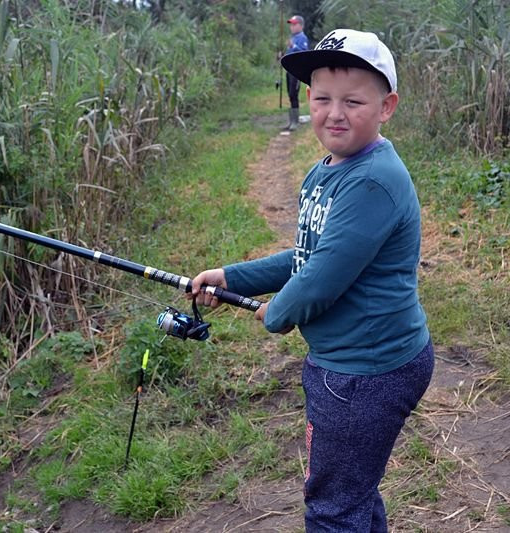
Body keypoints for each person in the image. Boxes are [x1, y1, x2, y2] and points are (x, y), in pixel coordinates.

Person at [190, 29, 434, 532]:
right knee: (352, 491)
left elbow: (320, 280)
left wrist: (277, 312)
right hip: (349, 367)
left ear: (386, 107)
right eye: (322, 99)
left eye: (353, 102)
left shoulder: (372, 180)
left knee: (332, 508)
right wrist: (234, 277)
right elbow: (309, 256)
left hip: (364, 373)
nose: (334, 113)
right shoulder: (328, 170)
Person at [282, 15, 309, 131]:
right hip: (289, 70)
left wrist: (293, 46)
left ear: (301, 26)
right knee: (290, 94)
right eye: (291, 25)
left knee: (294, 94)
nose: (292, 27)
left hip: (296, 70)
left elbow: (304, 53)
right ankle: (292, 120)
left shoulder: (302, 38)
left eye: (294, 24)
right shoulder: (292, 38)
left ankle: (295, 122)